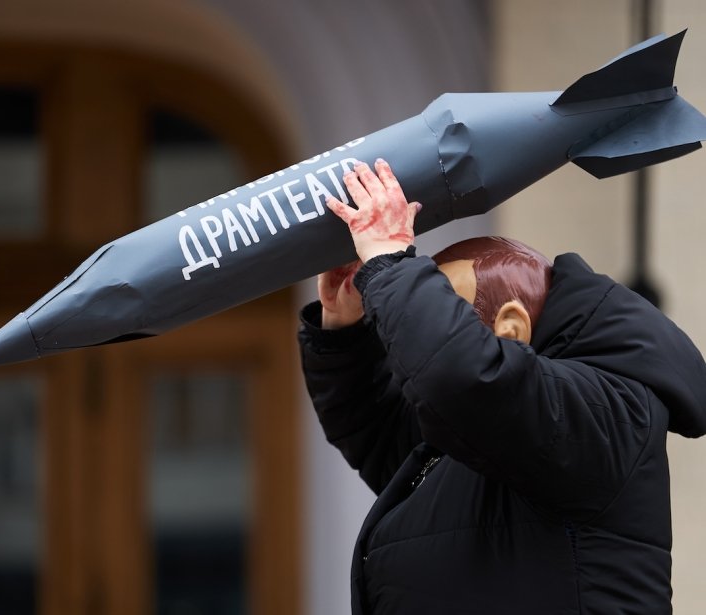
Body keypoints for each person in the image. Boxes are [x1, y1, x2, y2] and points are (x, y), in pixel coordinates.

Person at [298, 159, 706, 614]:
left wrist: (390, 266)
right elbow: (390, 440)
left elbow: (458, 374)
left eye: (448, 312)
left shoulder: (609, 412)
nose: (420, 342)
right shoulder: (494, 427)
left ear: (510, 328)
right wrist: (343, 328)